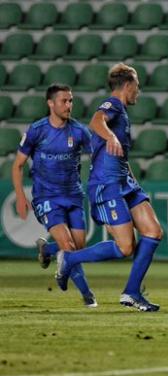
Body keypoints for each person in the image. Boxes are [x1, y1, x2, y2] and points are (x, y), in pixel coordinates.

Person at [55, 63, 162, 312]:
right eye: (137, 85)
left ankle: (132, 293)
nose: (139, 91)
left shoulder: (122, 111)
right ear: (128, 85)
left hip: (126, 182)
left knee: (154, 233)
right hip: (107, 184)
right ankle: (68, 257)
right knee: (126, 247)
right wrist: (111, 136)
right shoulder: (112, 105)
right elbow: (96, 120)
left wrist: (132, 178)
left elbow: (120, 155)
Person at [11, 83, 97, 307]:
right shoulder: (37, 130)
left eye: (71, 100)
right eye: (64, 101)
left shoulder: (79, 131)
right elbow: (17, 165)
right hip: (46, 197)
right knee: (68, 247)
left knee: (77, 249)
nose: (69, 105)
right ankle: (89, 298)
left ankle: (48, 249)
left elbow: (97, 158)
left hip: (74, 196)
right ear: (51, 103)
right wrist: (20, 196)